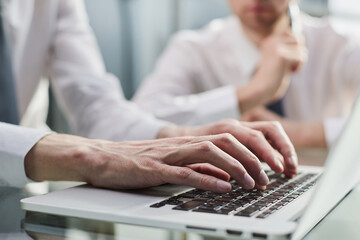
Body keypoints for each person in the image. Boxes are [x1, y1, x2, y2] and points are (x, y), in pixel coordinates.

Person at [0, 0, 298, 192]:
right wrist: (89, 156)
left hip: (26, 195)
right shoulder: (194, 45)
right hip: (40, 177)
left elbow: (95, 106)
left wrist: (178, 135)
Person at [134, 0, 360, 149]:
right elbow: (135, 124)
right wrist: (253, 91)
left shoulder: (342, 44)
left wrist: (301, 134)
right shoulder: (193, 48)